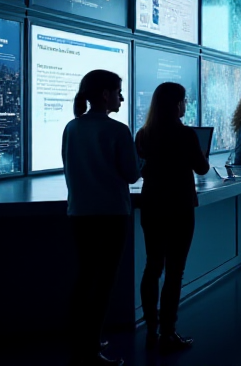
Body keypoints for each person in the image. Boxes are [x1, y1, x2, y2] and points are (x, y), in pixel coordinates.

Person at [63, 69, 140, 366]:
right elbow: (132, 174)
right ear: (105, 95)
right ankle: (91, 350)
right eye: (118, 92)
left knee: (85, 279)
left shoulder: (71, 127)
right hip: (111, 215)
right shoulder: (117, 131)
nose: (121, 97)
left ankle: (83, 341)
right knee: (104, 283)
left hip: (79, 213)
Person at [134, 82, 210, 353]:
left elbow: (141, 170)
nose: (186, 104)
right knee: (175, 271)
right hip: (179, 207)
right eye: (184, 100)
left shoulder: (143, 134)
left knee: (152, 266)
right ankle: (169, 331)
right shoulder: (186, 134)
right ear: (177, 104)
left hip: (152, 204)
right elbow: (202, 169)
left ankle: (151, 329)